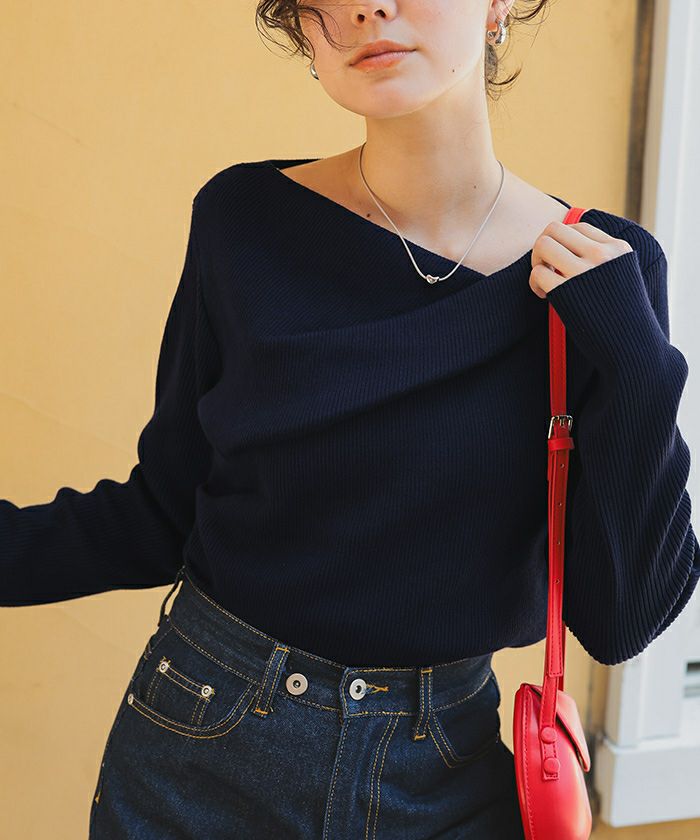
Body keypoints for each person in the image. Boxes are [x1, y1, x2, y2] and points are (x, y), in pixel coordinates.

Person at [3, 1, 699, 837]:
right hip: (203, 746)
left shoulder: (603, 274)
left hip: (444, 781)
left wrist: (639, 367)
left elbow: (621, 623)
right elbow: (161, 514)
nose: (369, 6)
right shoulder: (243, 220)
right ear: (304, 27)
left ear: (496, 6)